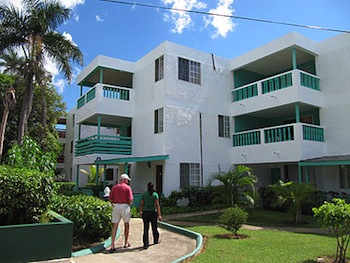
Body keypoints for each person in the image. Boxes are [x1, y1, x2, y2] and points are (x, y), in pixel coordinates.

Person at [108, 173, 133, 252]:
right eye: (127, 180)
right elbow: (131, 199)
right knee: (126, 224)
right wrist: (128, 204)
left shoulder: (115, 187)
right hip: (124, 206)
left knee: (115, 225)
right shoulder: (128, 188)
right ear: (125, 180)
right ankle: (126, 242)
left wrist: (113, 203)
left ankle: (112, 245)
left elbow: (110, 198)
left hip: (116, 206)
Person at [139, 181, 162, 249]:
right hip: (153, 212)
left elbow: (142, 204)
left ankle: (146, 243)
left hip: (145, 212)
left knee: (146, 228)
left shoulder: (144, 194)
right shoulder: (155, 195)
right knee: (154, 227)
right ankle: (155, 240)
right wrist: (159, 214)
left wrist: (140, 211)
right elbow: (157, 205)